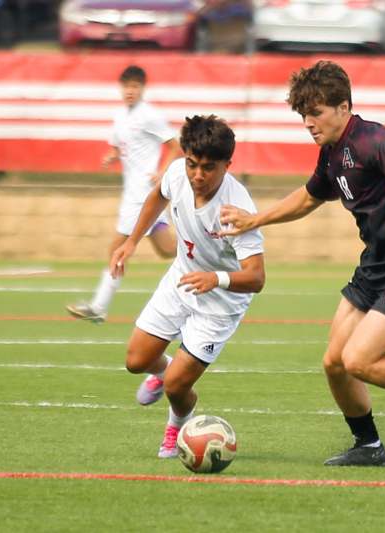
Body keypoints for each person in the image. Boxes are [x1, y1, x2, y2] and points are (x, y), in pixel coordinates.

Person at [219, 61, 385, 466]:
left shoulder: (373, 139)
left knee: (359, 359)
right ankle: (369, 445)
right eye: (304, 115)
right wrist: (256, 219)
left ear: (343, 107)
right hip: (375, 266)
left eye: (316, 113)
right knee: (335, 363)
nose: (308, 122)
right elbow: (307, 198)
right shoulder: (331, 154)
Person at [109, 115, 265, 458]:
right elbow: (156, 196)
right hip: (181, 279)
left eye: (208, 168)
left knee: (179, 385)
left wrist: (216, 278)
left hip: (221, 302)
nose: (197, 175)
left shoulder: (235, 209)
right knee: (136, 360)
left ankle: (178, 424)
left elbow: (256, 277)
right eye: (193, 164)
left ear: (227, 164)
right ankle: (161, 374)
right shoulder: (178, 172)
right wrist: (132, 241)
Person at [67, 65, 183, 324]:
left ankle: (98, 307)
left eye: (135, 86)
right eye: (126, 86)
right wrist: (112, 155)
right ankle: (212, 250)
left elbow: (176, 147)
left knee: (116, 249)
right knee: (167, 250)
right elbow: (120, 145)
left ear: (142, 89)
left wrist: (163, 172)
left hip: (142, 195)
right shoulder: (121, 116)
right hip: (134, 194)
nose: (130, 91)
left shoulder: (149, 115)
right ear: (121, 88)